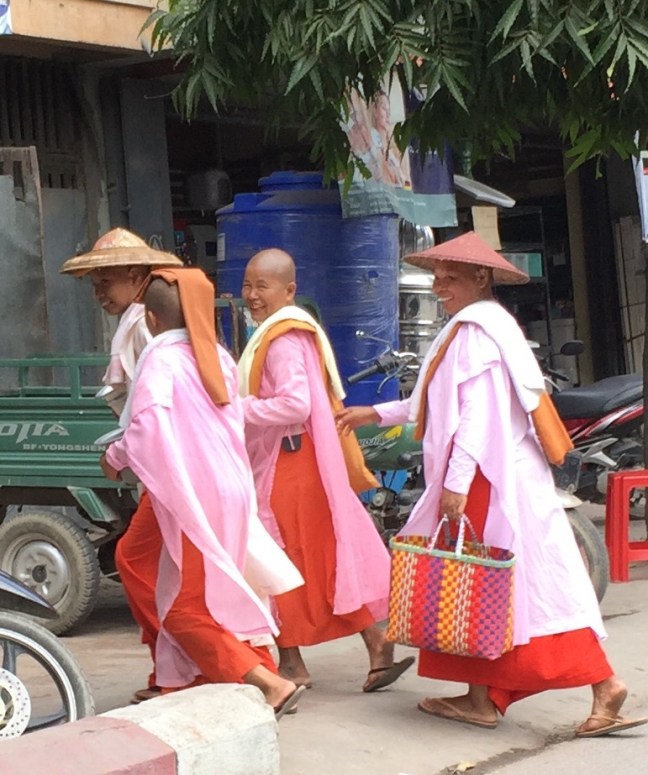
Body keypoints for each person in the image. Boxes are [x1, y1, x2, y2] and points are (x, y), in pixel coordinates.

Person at [336, 231, 647, 738]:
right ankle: (484, 698)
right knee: (487, 590)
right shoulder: (480, 327)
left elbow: (475, 419)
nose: (439, 286)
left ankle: (600, 684)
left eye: (450, 277)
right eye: (436, 277)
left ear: (481, 277)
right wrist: (373, 412)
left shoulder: (476, 333)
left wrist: (456, 484)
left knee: (490, 587)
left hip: (486, 476)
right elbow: (436, 402)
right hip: (494, 473)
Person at [99, 267, 305, 718]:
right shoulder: (217, 356)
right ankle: (220, 680)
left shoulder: (161, 358)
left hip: (195, 494)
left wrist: (114, 457)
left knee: (183, 610)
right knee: (226, 591)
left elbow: (147, 425)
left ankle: (268, 683)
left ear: (151, 319)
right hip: (231, 487)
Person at [238, 248, 414, 692]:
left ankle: (293, 663)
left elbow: (294, 404)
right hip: (300, 460)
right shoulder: (285, 331)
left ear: (289, 290)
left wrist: (235, 409)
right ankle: (374, 643)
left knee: (278, 557)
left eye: (262, 286)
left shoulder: (281, 338)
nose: (252, 295)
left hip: (289, 463)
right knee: (321, 557)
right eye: (247, 285)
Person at [61, 228, 183, 703]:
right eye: (94, 285)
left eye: (105, 282)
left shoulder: (145, 326)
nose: (98, 293)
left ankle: (177, 667)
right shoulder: (138, 323)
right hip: (165, 465)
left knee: (135, 562)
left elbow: (151, 411)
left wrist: (119, 454)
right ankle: (173, 667)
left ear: (135, 275)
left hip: (166, 468)